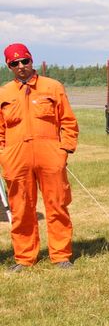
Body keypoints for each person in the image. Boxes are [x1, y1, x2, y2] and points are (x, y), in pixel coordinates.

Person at [0, 43, 79, 272]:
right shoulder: (4, 93)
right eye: (15, 63)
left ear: (31, 60)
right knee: (21, 208)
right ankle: (24, 258)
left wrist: (64, 150)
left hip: (50, 156)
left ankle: (61, 256)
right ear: (9, 66)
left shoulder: (52, 87)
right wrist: (4, 155)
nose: (21, 66)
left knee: (57, 205)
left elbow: (68, 122)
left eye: (25, 61)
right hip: (16, 159)